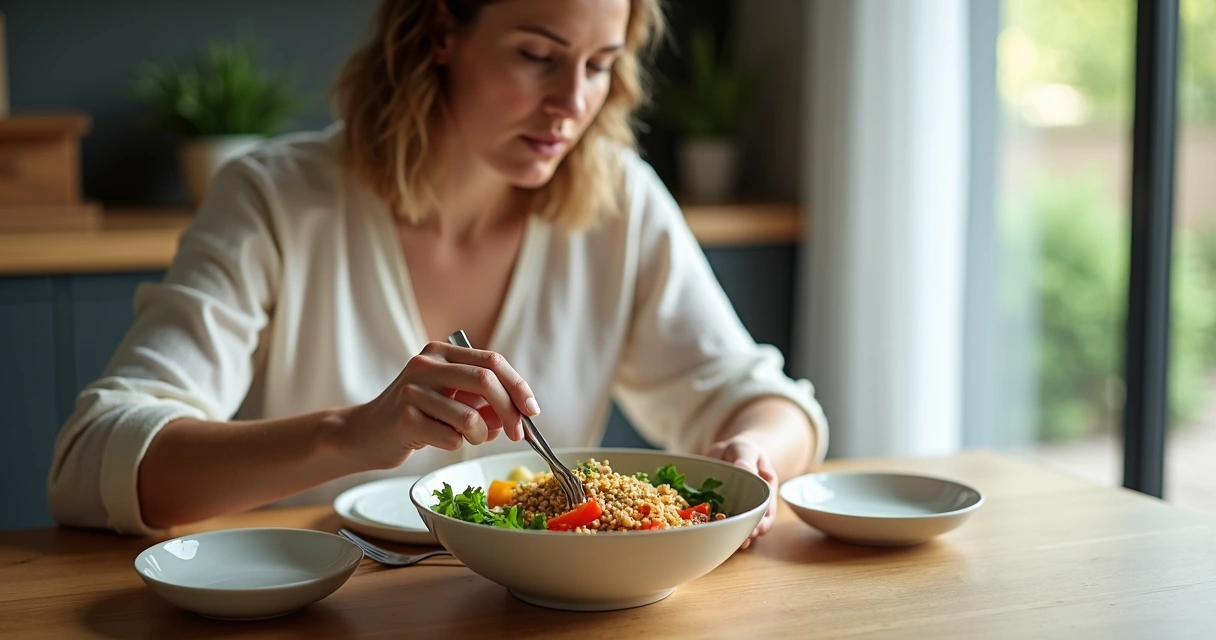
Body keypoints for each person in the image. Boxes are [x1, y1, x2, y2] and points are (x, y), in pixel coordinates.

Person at [47, 0, 828, 548]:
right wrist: (348, 434)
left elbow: (769, 403)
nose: (572, 102)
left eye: (600, 65)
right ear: (442, 28)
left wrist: (752, 451)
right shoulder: (274, 200)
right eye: (537, 56)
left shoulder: (619, 200)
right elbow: (91, 465)